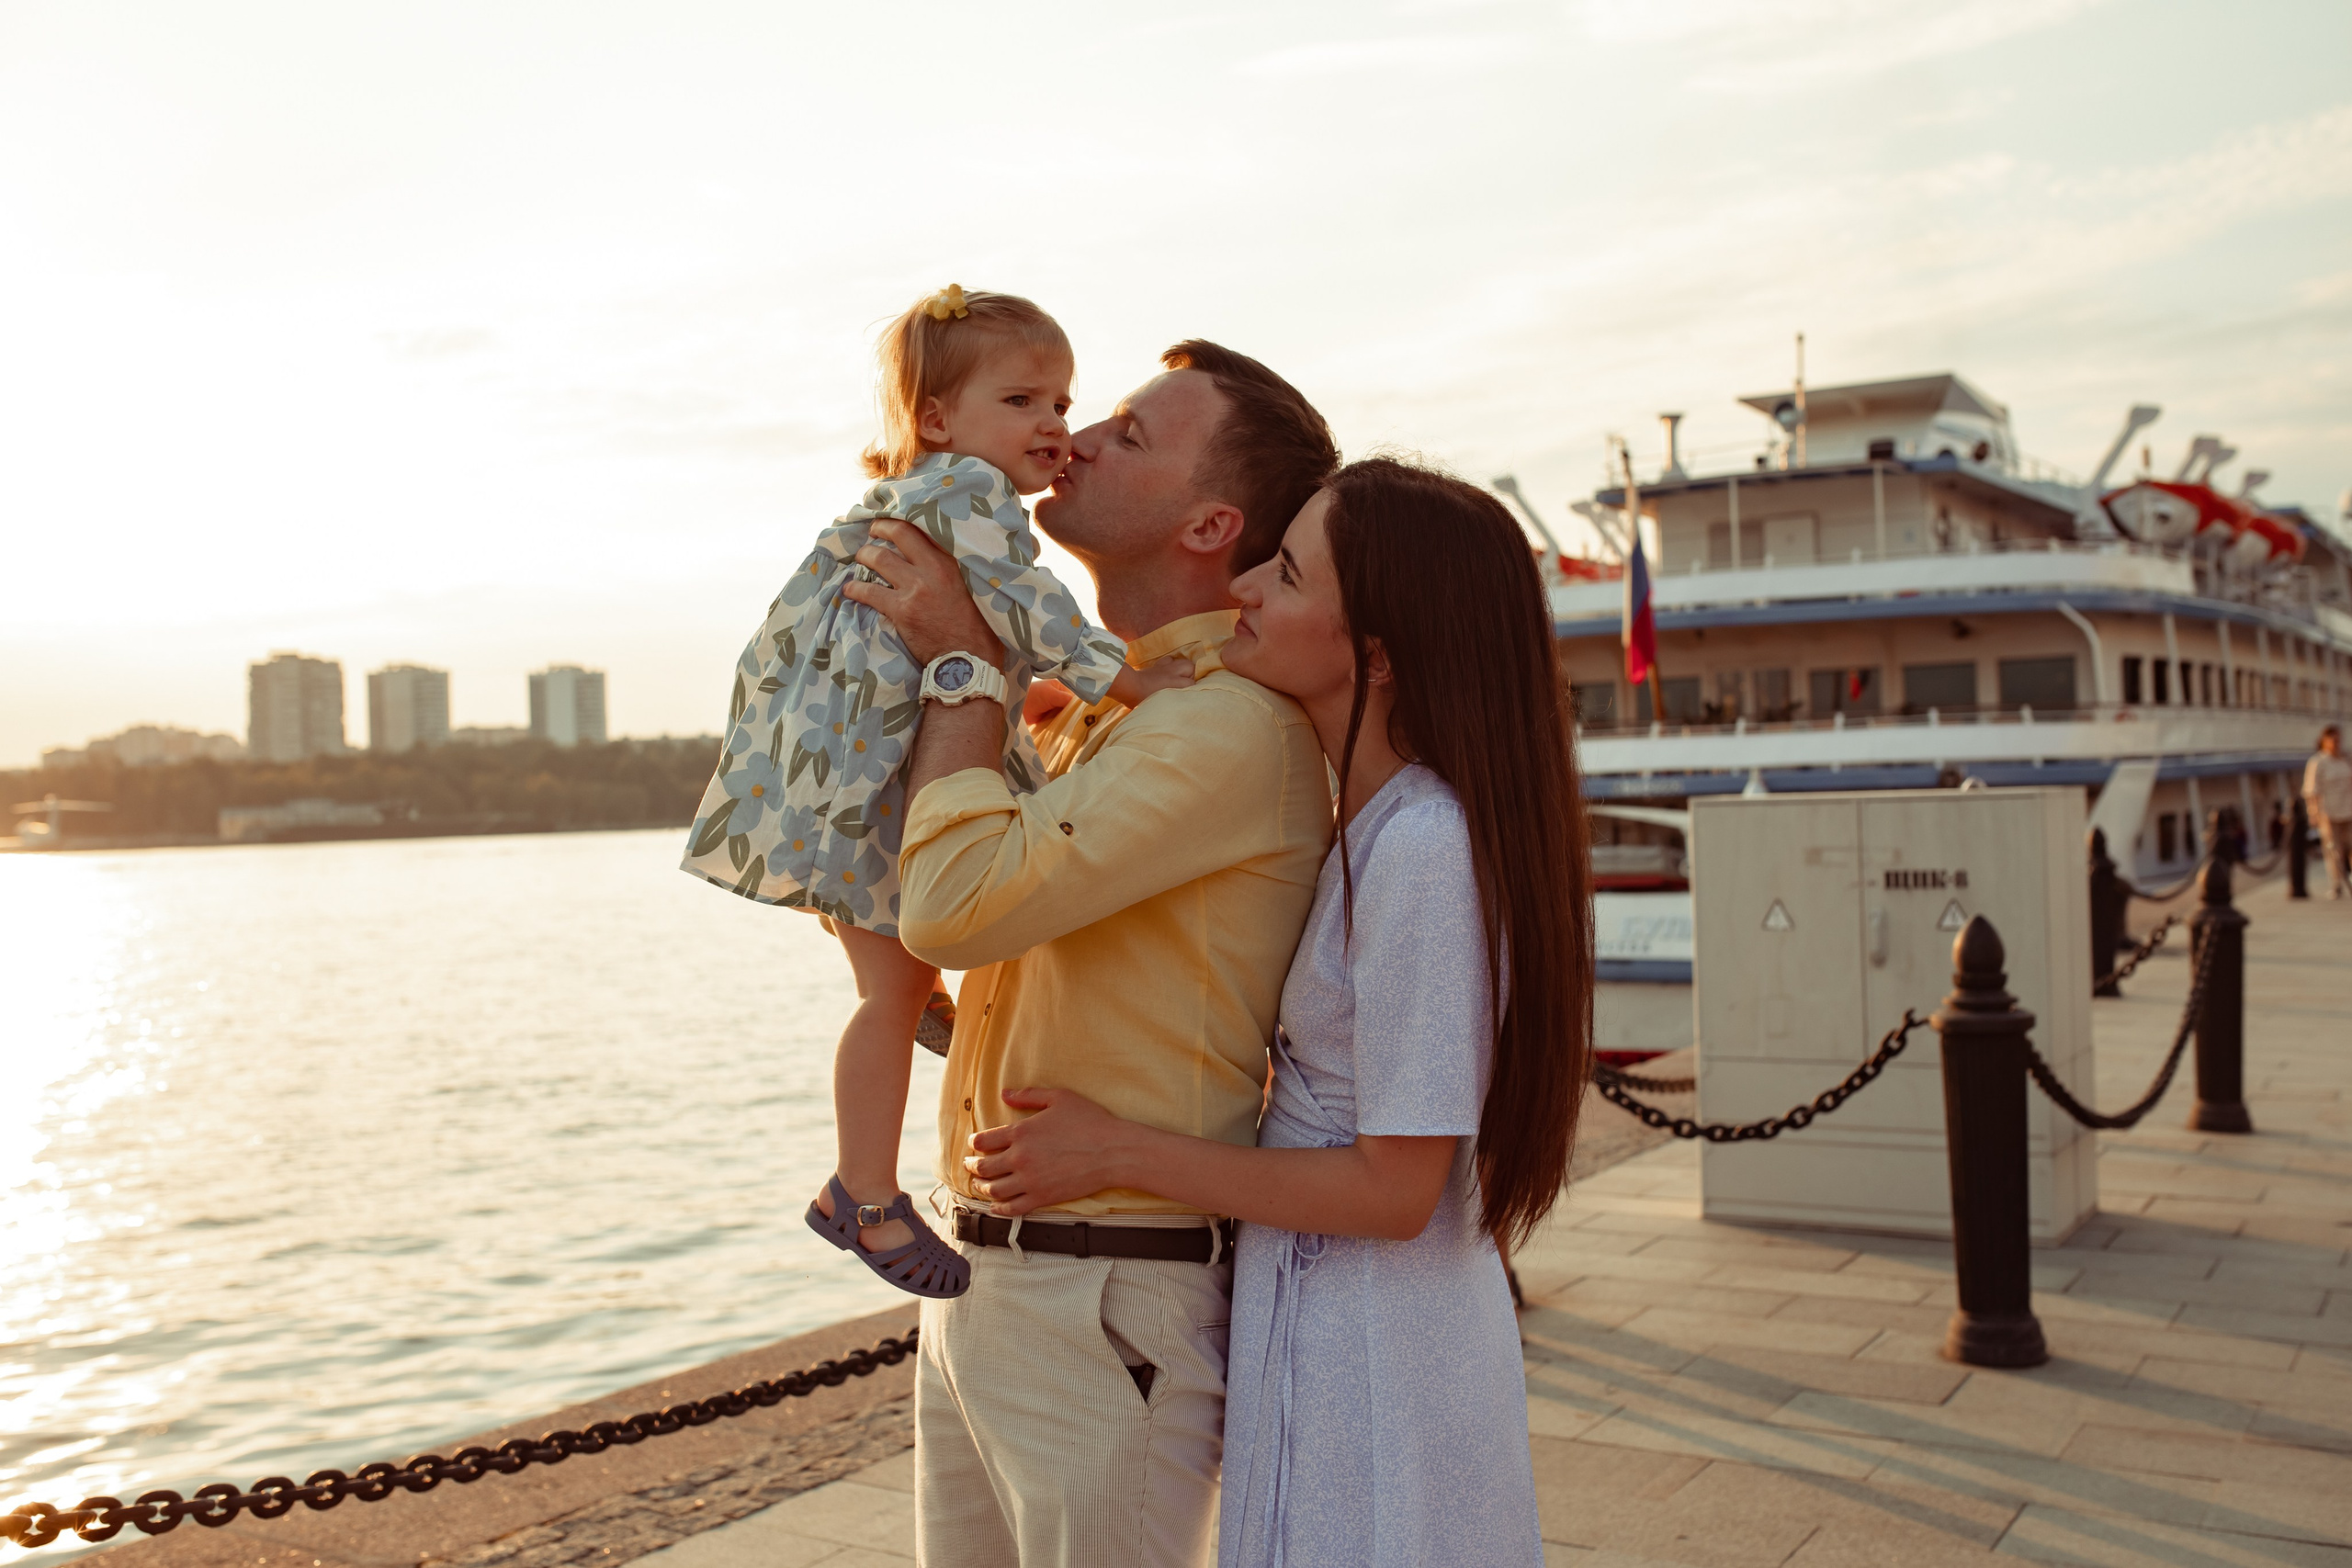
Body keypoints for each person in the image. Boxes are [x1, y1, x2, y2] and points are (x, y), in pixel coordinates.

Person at [967, 457, 1594, 1568]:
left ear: (1378, 655)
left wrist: (1115, 1150)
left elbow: (1396, 1188)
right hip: (1335, 1320)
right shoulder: (1379, 824)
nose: (1245, 585)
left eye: (1288, 574)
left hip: (1376, 1352)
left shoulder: (1423, 845)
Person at [843, 341, 1340, 1565]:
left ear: (1210, 524)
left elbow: (954, 908)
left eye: (1128, 431)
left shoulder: (1223, 725)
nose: (1077, 439)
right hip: (1004, 1274)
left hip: (1105, 1294)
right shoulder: (1116, 710)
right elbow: (985, 943)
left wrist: (963, 666)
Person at [676, 286, 1193, 1302]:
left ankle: (924, 993)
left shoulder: (918, 494)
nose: (1053, 424)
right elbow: (1034, 609)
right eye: (1021, 401)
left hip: (842, 759)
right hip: (872, 770)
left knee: (898, 964)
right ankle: (862, 1196)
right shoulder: (966, 491)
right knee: (888, 994)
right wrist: (1136, 683)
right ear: (939, 419)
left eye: (1061, 400)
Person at [2306, 724, 2352, 899]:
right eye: (2332, 739)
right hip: (2329, 814)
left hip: (2348, 810)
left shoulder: (2345, 760)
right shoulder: (2318, 762)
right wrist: (2313, 814)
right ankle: (2336, 884)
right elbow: (2312, 791)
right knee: (2334, 851)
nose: (2336, 743)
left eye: (2338, 739)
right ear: (2325, 741)